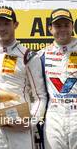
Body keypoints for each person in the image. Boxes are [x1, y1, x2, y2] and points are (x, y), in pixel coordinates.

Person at [0, 6, 47, 149]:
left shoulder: (28, 55)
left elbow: (40, 96)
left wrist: (30, 122)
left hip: (20, 123)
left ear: (16, 25)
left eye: (6, 23)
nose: (2, 28)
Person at [38, 8, 77, 149]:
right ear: (50, 29)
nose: (63, 29)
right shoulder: (41, 55)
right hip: (54, 116)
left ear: (72, 27)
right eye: (58, 26)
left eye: (66, 25)